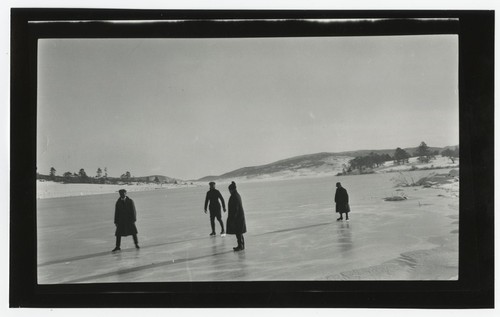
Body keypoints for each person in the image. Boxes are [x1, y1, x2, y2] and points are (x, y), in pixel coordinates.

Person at [226, 181, 247, 251]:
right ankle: (241, 245)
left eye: (229, 190)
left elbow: (235, 208)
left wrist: (233, 218)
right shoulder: (236, 195)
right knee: (239, 232)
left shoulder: (234, 196)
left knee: (238, 232)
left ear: (232, 189)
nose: (229, 191)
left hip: (238, 217)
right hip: (239, 217)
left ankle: (240, 246)